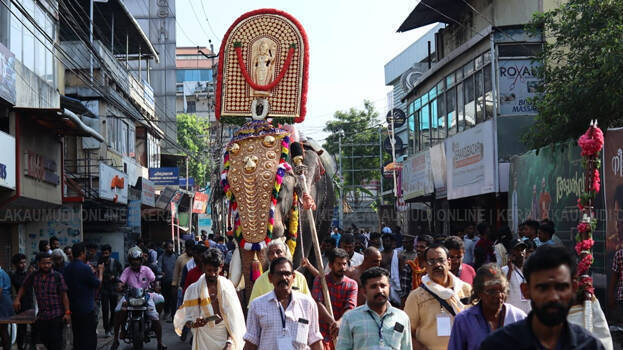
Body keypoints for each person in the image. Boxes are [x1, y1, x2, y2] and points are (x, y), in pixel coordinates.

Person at [480, 245, 605, 349]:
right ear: (526, 290)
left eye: (561, 287)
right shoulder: (499, 345)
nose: (553, 297)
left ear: (574, 288)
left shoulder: (589, 346)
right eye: (543, 288)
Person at [244, 257, 323, 350]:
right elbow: (251, 343)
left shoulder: (308, 304)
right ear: (270, 278)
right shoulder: (257, 305)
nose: (283, 278)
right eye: (279, 274)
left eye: (287, 274)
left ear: (293, 277)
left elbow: (315, 340)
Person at [403, 243, 472, 350]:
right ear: (425, 265)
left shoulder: (465, 290)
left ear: (449, 263)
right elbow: (406, 332)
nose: (437, 265)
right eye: (431, 261)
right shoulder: (416, 297)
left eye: (441, 260)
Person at [174, 248, 246, 349]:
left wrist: (230, 341)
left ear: (221, 268)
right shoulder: (193, 289)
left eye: (215, 270)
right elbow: (187, 320)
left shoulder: (228, 286)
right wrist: (195, 323)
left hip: (224, 336)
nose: (212, 274)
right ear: (203, 267)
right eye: (209, 270)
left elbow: (234, 318)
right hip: (203, 338)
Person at [448, 264, 526, 350]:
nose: (499, 295)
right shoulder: (464, 321)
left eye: (502, 290)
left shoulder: (519, 318)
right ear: (479, 292)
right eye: (491, 291)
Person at [336, 267, 412, 350]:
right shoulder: (350, 318)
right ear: (364, 291)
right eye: (374, 287)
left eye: (383, 286)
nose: (380, 290)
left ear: (389, 287)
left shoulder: (401, 317)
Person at [112, 247, 166, 350]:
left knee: (155, 317)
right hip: (129, 297)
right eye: (133, 260)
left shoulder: (147, 269)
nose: (135, 262)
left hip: (146, 296)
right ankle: (116, 338)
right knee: (118, 311)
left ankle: (160, 342)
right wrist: (119, 286)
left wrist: (157, 285)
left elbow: (154, 279)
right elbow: (121, 281)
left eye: (137, 260)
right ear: (130, 261)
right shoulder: (127, 270)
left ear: (141, 260)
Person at [14, 253, 71, 350]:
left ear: (52, 263)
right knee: (44, 339)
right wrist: (17, 299)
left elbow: (64, 295)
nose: (46, 265)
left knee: (56, 342)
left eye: (49, 263)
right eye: (44, 263)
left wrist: (67, 313)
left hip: (56, 314)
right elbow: (23, 286)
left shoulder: (57, 276)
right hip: (43, 315)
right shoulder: (34, 275)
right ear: (38, 264)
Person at [312, 248, 358, 349]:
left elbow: (350, 307)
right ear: (331, 265)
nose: (342, 267)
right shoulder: (320, 280)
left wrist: (339, 323)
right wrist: (333, 323)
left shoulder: (352, 284)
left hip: (343, 332)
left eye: (344, 264)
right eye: (339, 264)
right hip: (322, 332)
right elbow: (317, 303)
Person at [63, 242, 104, 350]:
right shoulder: (85, 268)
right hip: (86, 309)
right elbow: (97, 284)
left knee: (77, 337)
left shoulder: (67, 268)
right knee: (89, 338)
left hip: (73, 308)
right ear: (82, 253)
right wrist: (100, 272)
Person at [248, 240, 311, 305]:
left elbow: (308, 304)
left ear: (285, 254)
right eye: (271, 253)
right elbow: (253, 307)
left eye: (278, 252)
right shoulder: (260, 281)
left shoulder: (299, 278)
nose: (275, 256)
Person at [10, 253, 35, 350]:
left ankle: (32, 346)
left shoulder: (28, 274)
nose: (24, 265)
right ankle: (21, 346)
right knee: (21, 329)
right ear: (15, 264)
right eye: (21, 263)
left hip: (31, 303)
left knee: (34, 327)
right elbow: (21, 285)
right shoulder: (14, 275)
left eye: (25, 262)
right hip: (20, 305)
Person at [400, 234, 433, 305]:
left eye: (422, 247)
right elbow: (405, 292)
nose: (418, 249)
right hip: (413, 304)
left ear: (429, 249)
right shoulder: (409, 266)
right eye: (417, 246)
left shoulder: (433, 267)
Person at [501, 239, 531, 314]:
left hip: (529, 310)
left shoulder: (531, 269)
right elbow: (503, 290)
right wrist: (510, 271)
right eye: (517, 249)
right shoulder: (504, 270)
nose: (521, 252)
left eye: (522, 249)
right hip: (513, 313)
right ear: (511, 252)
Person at [100, 244, 122, 337]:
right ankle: (106, 329)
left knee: (114, 309)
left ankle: (112, 326)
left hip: (113, 288)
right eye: (104, 253)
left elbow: (122, 272)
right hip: (104, 289)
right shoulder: (100, 262)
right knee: (105, 310)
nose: (105, 255)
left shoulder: (115, 262)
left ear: (110, 253)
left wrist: (116, 279)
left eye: (107, 253)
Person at [157, 240, 178, 322]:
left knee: (174, 298)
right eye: (169, 247)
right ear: (165, 248)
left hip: (174, 281)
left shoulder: (176, 256)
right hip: (165, 281)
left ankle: (173, 314)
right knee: (166, 297)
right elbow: (158, 267)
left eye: (171, 247)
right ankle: (166, 312)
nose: (170, 249)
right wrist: (160, 271)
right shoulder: (161, 257)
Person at [172, 239, 195, 309]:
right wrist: (174, 286)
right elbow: (176, 273)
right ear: (186, 248)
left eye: (192, 248)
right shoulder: (180, 258)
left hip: (194, 288)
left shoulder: (197, 258)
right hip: (181, 288)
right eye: (188, 248)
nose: (190, 250)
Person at [380, 234, 401, 305]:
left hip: (396, 284)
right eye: (383, 241)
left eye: (387, 241)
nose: (385, 243)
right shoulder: (379, 255)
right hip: (383, 282)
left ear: (392, 242)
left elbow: (402, 271)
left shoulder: (398, 255)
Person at [0, 263, 13, 350]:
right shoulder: (2, 272)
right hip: (5, 303)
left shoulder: (0, 273)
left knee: (3, 329)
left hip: (3, 304)